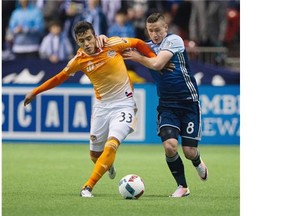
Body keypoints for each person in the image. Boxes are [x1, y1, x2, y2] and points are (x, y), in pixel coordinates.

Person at [23, 21, 156, 198]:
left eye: (88, 38)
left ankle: (87, 187)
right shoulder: (78, 60)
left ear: (95, 36)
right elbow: (59, 78)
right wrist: (35, 91)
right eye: (81, 41)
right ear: (77, 42)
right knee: (95, 155)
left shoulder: (111, 44)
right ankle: (108, 164)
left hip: (124, 104)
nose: (86, 43)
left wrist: (154, 60)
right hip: (101, 108)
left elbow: (138, 43)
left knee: (112, 144)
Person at [122, 12, 209, 197]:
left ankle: (197, 161)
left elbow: (157, 64)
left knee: (189, 151)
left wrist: (142, 59)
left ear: (166, 28)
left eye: (158, 30)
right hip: (167, 105)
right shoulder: (147, 47)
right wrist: (105, 39)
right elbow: (120, 46)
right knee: (170, 146)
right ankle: (182, 187)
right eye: (151, 31)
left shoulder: (174, 40)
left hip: (188, 102)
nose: (155, 34)